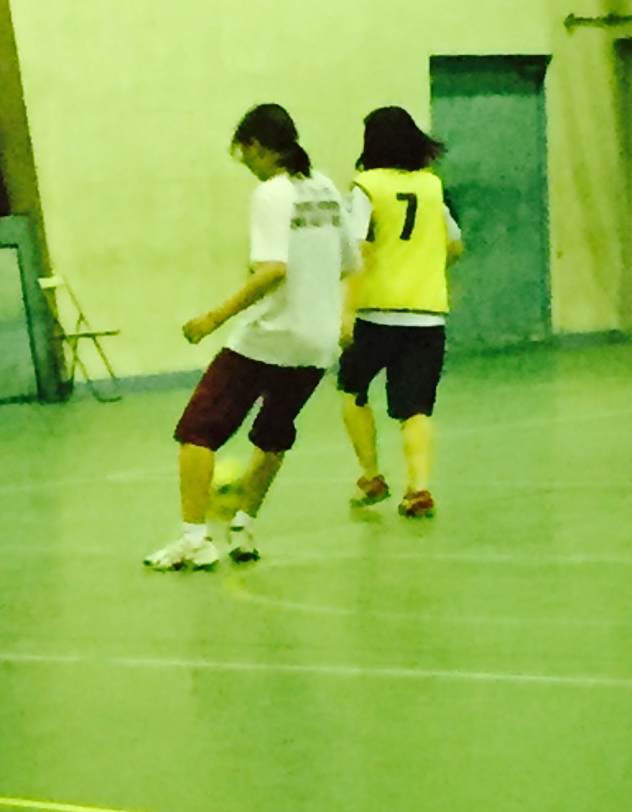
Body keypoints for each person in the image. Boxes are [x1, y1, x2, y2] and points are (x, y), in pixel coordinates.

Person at [147, 103, 358, 571]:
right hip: (317, 342)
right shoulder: (325, 188)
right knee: (273, 433)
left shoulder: (271, 194)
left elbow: (273, 270)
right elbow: (348, 262)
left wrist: (213, 317)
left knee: (197, 430)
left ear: (258, 146)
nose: (244, 163)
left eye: (243, 153)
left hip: (270, 337)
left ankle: (194, 538)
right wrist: (337, 314)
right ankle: (243, 528)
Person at [337, 104, 465, 519]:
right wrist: (423, 268)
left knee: (352, 390)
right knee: (416, 409)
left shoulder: (366, 186)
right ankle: (419, 488)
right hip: (427, 315)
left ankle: (371, 475)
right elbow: (454, 245)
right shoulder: (431, 186)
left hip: (377, 312)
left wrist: (346, 311)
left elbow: (358, 250)